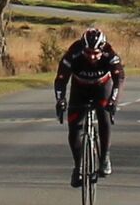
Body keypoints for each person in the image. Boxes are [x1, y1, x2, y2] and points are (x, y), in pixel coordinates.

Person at [52, 22, 125, 181]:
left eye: (95, 53)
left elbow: (119, 78)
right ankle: (78, 166)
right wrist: (60, 100)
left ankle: (104, 157)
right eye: (88, 52)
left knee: (104, 116)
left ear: (102, 50)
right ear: (82, 49)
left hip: (102, 87)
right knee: (74, 128)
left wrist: (113, 100)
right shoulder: (73, 53)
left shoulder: (110, 54)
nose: (92, 56)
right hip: (80, 89)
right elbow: (61, 79)